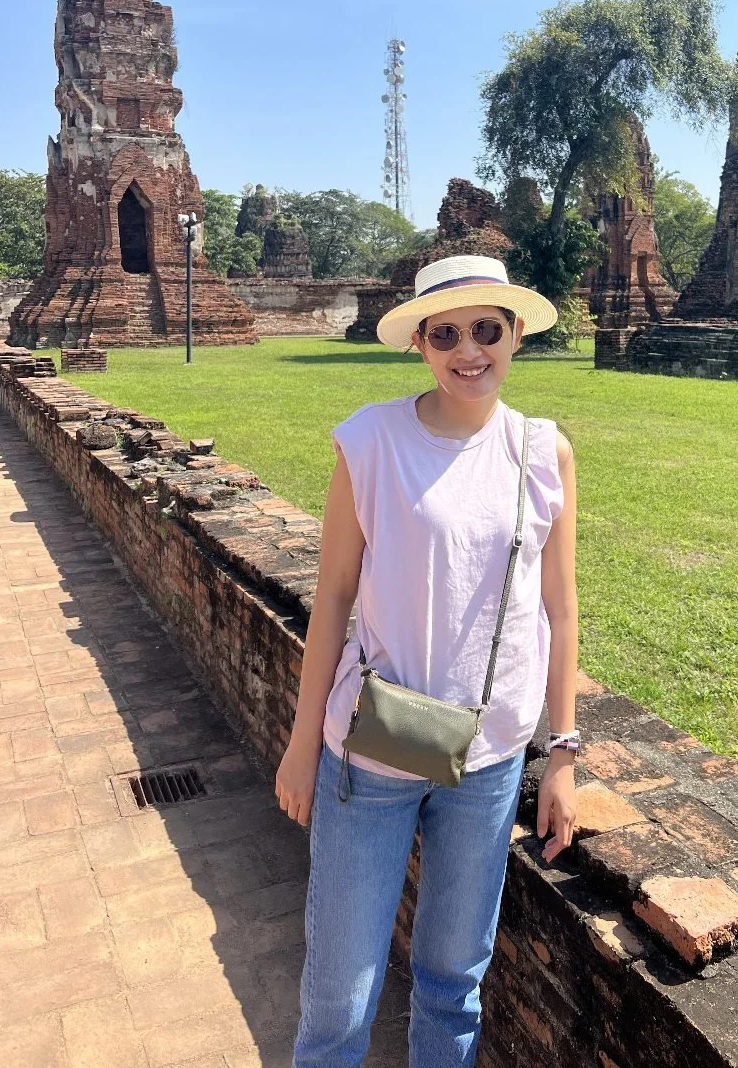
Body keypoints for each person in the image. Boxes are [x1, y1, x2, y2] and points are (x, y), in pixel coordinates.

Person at [275, 253, 580, 1067]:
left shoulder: (542, 452)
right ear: (419, 343)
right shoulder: (373, 439)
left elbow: (557, 607)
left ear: (516, 335)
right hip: (370, 750)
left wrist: (562, 754)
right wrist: (304, 741)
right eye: (444, 333)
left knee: (453, 984)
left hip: (485, 758)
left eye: (486, 329)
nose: (467, 350)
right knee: (340, 995)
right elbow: (333, 596)